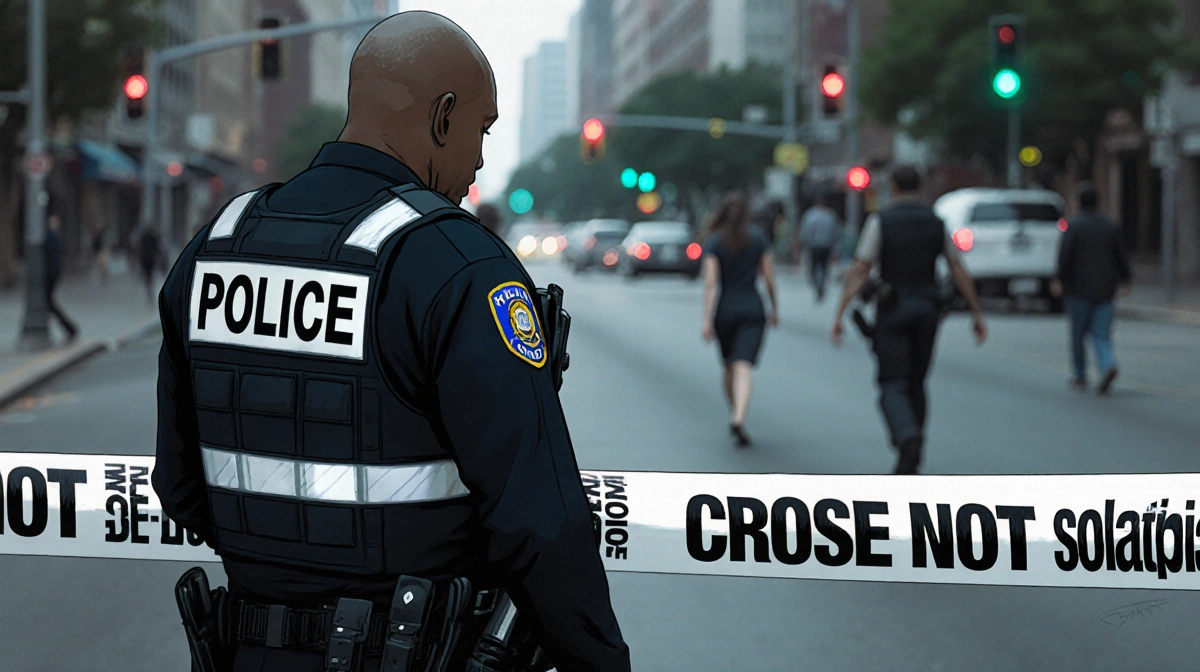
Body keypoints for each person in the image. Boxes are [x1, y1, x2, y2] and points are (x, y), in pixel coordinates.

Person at [152, 11, 629, 672]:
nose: (481, 159)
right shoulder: (457, 263)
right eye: (479, 131)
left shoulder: (213, 249)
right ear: (442, 117)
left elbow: (180, 488)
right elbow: (537, 521)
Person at [831, 166, 986, 475]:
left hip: (893, 310)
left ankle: (906, 436)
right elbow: (957, 268)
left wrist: (840, 311)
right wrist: (976, 312)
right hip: (928, 310)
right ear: (919, 187)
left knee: (892, 382)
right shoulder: (936, 223)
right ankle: (916, 450)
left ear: (894, 187)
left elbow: (862, 267)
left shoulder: (881, 222)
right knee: (917, 381)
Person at [701, 191, 779, 446]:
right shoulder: (758, 239)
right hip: (752, 309)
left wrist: (706, 319)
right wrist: (775, 307)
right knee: (743, 366)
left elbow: (711, 283)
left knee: (729, 366)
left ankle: (735, 411)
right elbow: (769, 278)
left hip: (725, 310)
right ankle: (739, 416)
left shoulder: (714, 242)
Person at [1051, 181, 1132, 395]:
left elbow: (1065, 256)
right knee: (1101, 334)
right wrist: (1126, 279)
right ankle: (1107, 364)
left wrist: (1059, 279)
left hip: (1078, 290)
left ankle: (1080, 374)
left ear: (1079, 203)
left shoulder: (1074, 226)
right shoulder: (1109, 225)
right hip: (1106, 289)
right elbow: (1121, 255)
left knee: (1078, 334)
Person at [796, 194, 844, 302]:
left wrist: (804, 244)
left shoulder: (809, 216)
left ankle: (817, 283)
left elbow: (805, 232)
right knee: (824, 267)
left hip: (814, 246)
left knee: (813, 268)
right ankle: (821, 283)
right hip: (827, 246)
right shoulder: (831, 216)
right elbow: (837, 232)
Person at [44, 212, 79, 342]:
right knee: (49, 304)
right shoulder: (55, 236)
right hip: (54, 272)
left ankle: (70, 328)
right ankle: (69, 328)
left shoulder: (50, 237)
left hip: (50, 273)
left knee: (49, 303)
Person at [136, 223, 162, 304]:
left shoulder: (143, 237)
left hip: (145, 259)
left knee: (148, 276)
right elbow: (157, 248)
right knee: (149, 276)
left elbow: (139, 248)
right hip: (150, 259)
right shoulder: (152, 237)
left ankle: (149, 289)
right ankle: (149, 289)